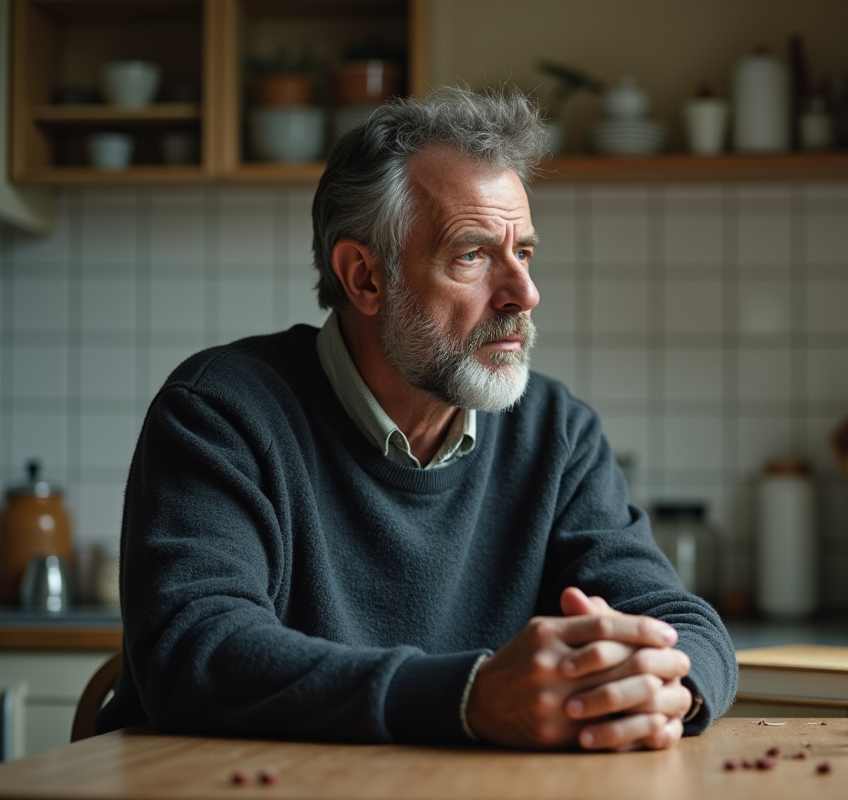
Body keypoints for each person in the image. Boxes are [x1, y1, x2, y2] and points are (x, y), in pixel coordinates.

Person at [96, 87, 737, 751]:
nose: (524, 293)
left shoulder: (556, 430)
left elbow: (677, 620)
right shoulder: (220, 412)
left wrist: (665, 687)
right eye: (472, 255)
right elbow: (193, 652)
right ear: (364, 277)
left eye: (523, 253)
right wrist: (470, 698)